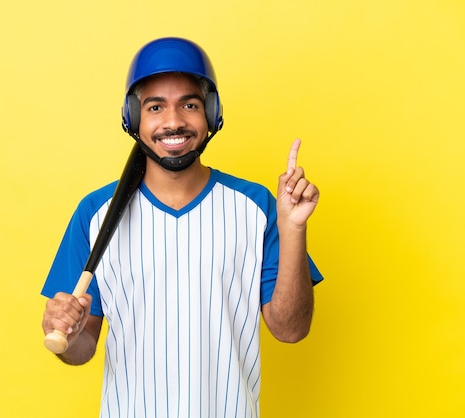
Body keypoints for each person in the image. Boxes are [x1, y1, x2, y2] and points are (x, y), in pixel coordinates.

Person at [41, 37, 323, 417]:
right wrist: (68, 334)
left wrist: (292, 229)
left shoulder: (258, 206)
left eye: (189, 104)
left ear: (210, 113)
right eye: (155, 107)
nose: (173, 121)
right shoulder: (95, 213)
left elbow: (291, 330)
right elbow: (81, 347)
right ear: (133, 118)